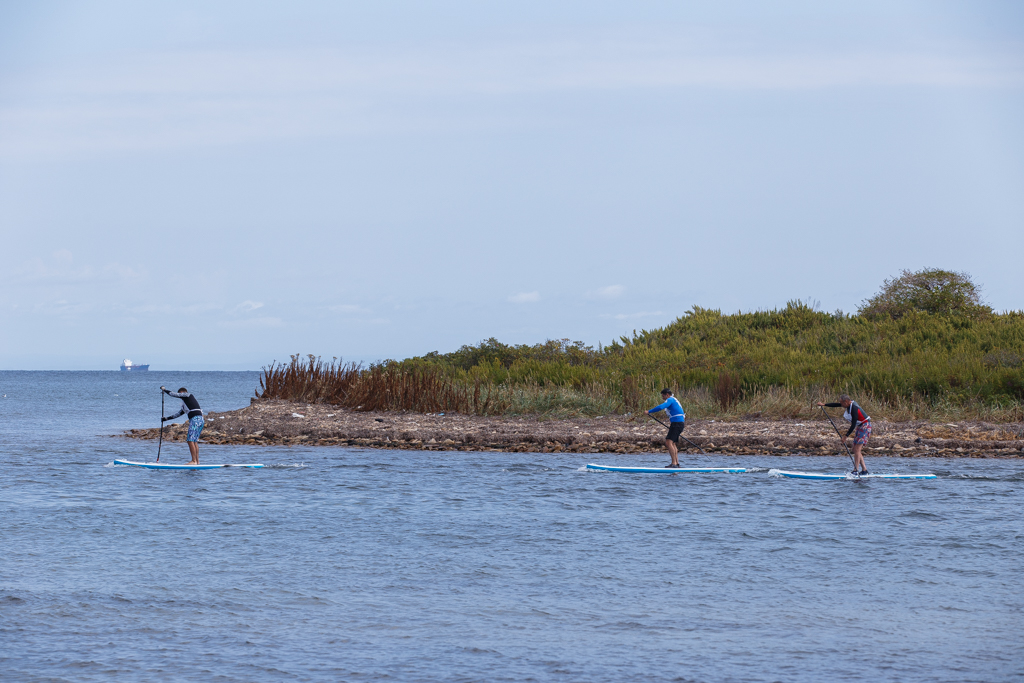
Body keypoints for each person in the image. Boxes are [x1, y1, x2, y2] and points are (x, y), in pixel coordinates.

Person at [817, 395, 871, 475]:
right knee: (854, 449)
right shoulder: (848, 404)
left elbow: (853, 424)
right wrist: (824, 404)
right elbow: (836, 405)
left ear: (846, 402)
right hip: (860, 426)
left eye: (842, 403)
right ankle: (864, 470)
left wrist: (845, 436)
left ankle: (855, 470)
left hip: (865, 426)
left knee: (857, 449)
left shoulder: (854, 408)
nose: (841, 405)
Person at [161, 386, 204, 465]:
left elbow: (174, 394)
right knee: (194, 441)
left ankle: (194, 461)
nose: (180, 397)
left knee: (190, 440)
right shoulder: (186, 404)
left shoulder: (188, 395)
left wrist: (165, 390)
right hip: (200, 420)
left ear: (182, 393)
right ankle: (197, 462)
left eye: (180, 394)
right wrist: (166, 419)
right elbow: (178, 414)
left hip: (196, 419)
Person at [648, 388, 686, 468]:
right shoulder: (674, 400)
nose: (662, 398)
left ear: (667, 395)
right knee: (673, 443)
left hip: (677, 424)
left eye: (663, 396)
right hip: (678, 423)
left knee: (668, 442)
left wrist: (649, 411)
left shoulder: (670, 400)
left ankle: (674, 464)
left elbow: (661, 407)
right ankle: (676, 463)